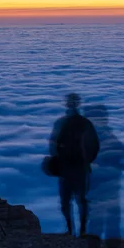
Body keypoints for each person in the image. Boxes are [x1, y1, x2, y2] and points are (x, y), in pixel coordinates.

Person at [83, 104, 124, 248]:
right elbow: (120, 153)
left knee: (95, 224)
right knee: (112, 225)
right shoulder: (109, 137)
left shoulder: (87, 139)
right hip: (110, 190)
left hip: (95, 189)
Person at [49, 93, 100, 236]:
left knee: (70, 201)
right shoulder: (84, 123)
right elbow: (95, 146)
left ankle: (72, 230)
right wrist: (86, 161)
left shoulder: (63, 123)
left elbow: (53, 144)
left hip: (69, 168)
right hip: (77, 168)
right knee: (79, 200)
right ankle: (80, 230)